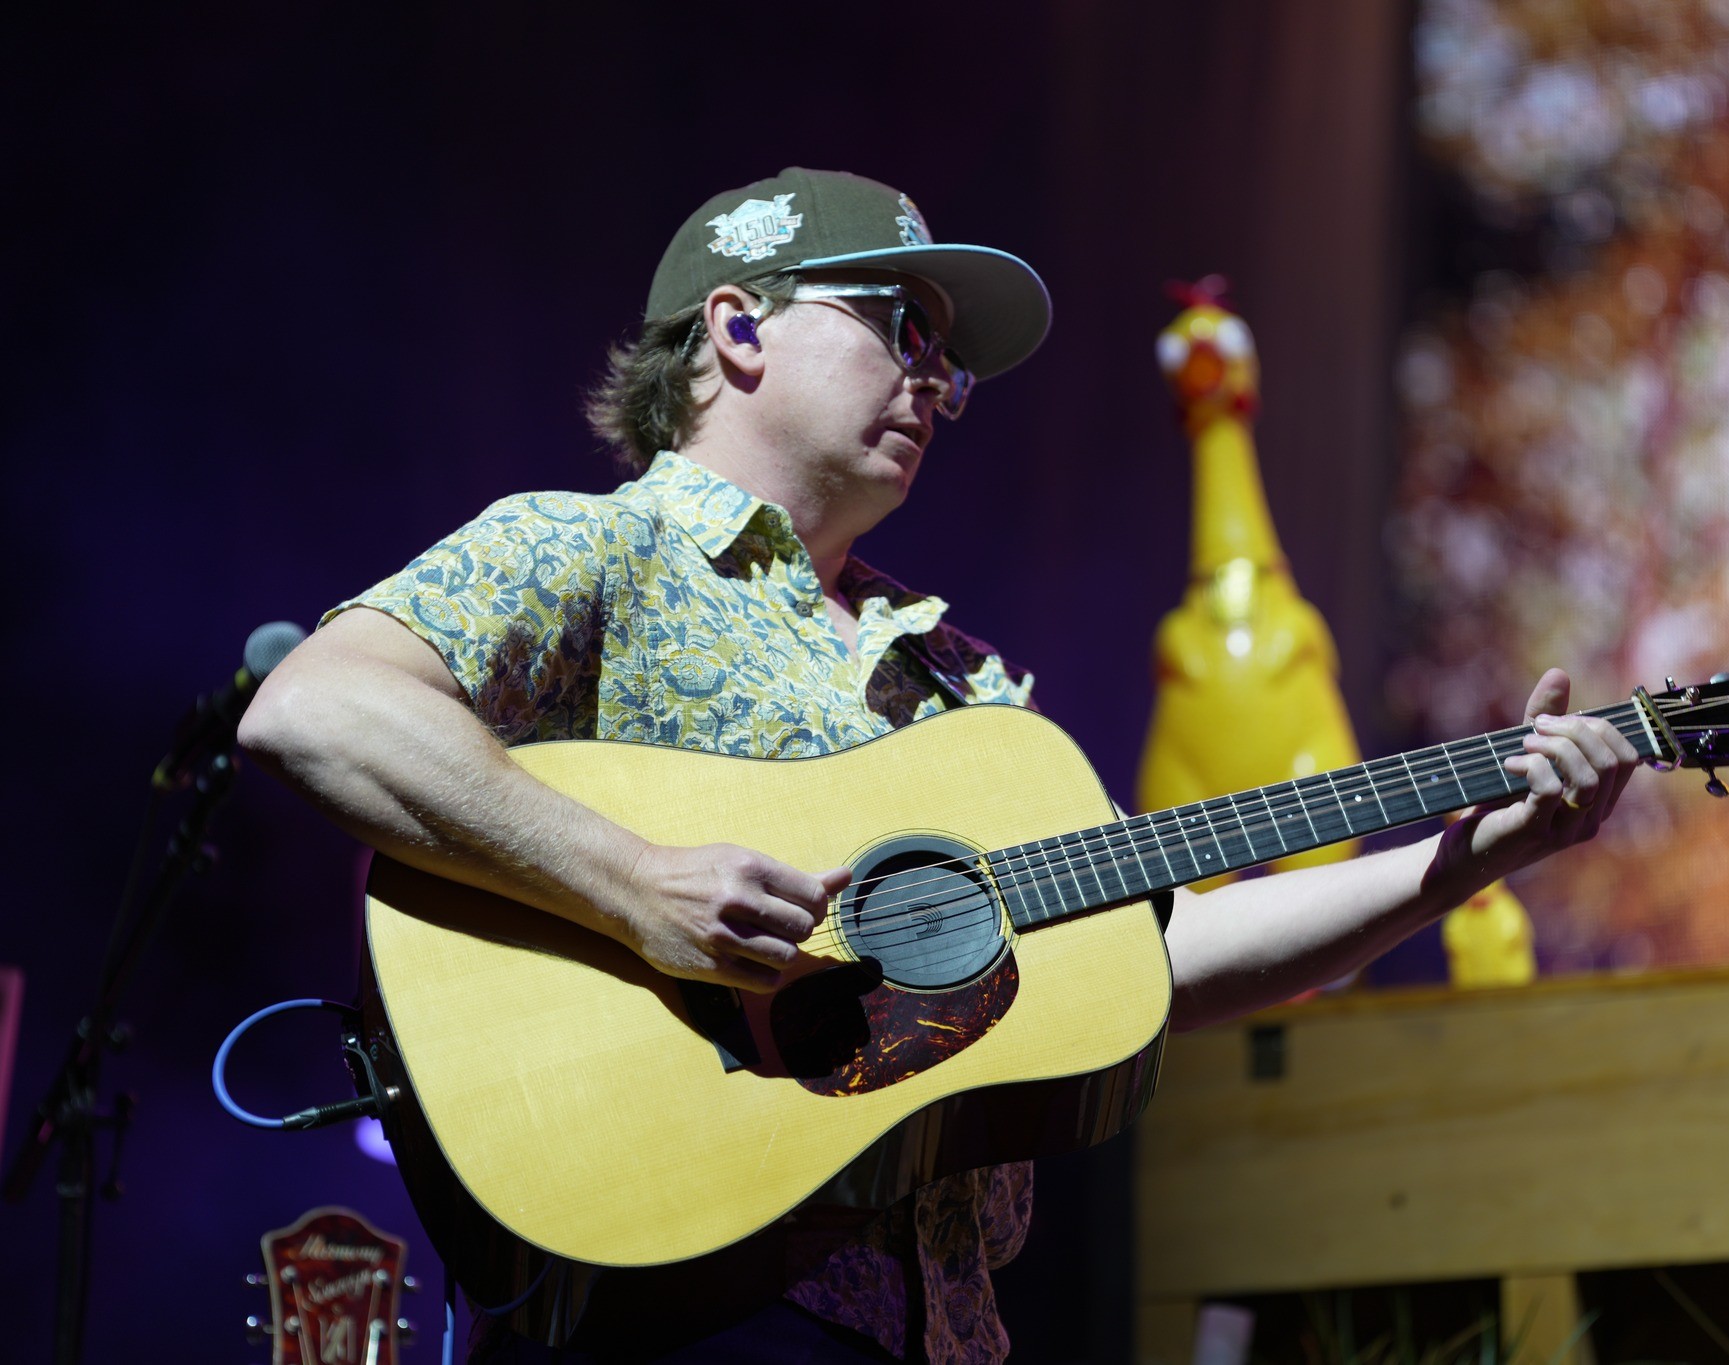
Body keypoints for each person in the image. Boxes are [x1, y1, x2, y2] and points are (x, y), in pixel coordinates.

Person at [238, 167, 1637, 1363]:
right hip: (678, 1300)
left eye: (946, 358)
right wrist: (637, 883)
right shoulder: (593, 549)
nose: (936, 380)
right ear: (737, 326)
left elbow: (1159, 949)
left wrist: (1471, 857)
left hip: (941, 1332)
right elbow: (317, 709)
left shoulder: (967, 685)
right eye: (900, 325)